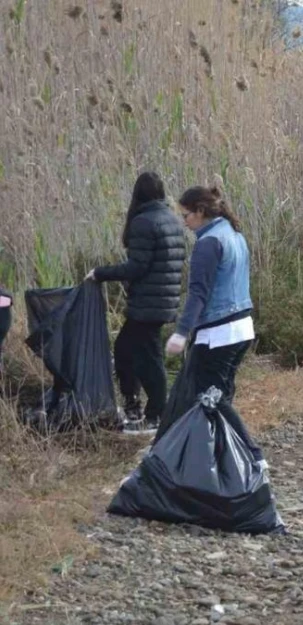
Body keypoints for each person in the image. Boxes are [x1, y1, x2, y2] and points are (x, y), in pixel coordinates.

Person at [162, 184, 265, 465]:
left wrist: (182, 333)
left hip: (220, 332)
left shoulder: (208, 243)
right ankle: (224, 458)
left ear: (200, 211)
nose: (184, 222)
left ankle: (253, 455)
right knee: (221, 395)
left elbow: (198, 294)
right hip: (243, 327)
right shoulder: (234, 234)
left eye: (186, 216)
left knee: (211, 397)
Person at [85, 172, 186, 433]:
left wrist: (100, 273)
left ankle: (155, 416)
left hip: (148, 305)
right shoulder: (172, 220)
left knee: (149, 360)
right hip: (162, 301)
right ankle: (134, 406)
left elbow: (137, 267)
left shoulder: (144, 222)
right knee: (125, 351)